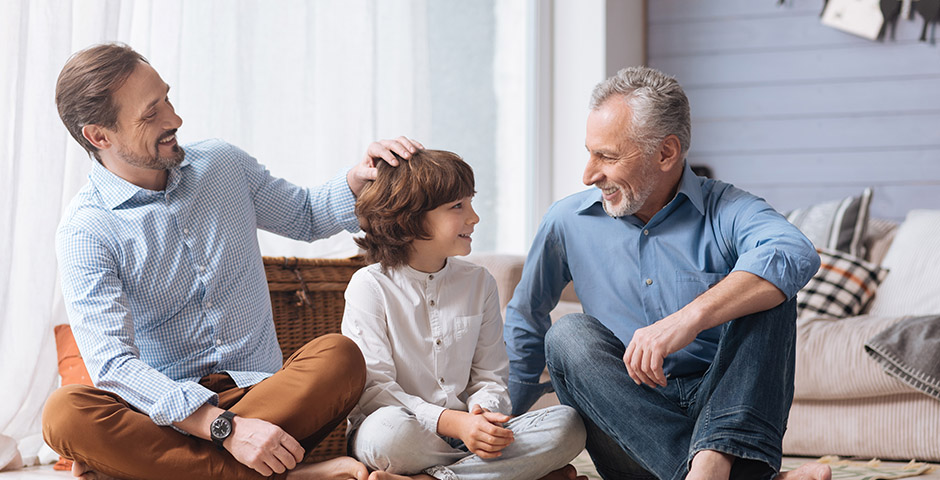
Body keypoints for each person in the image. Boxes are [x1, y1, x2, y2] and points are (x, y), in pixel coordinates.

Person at [43, 42, 421, 480]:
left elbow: (306, 215)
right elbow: (113, 366)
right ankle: (292, 474)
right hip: (170, 417)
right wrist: (223, 429)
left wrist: (358, 178)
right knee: (64, 413)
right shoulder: (86, 231)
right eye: (151, 114)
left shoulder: (222, 164)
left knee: (340, 356)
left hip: (266, 398)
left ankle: (154, 471)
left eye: (166, 97)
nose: (174, 120)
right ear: (99, 136)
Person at [503, 66, 833, 480]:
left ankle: (713, 458)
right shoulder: (567, 220)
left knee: (770, 286)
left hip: (727, 418)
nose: (588, 174)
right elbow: (525, 322)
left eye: (606, 156)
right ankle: (717, 470)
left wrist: (688, 319)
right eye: (589, 152)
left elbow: (794, 251)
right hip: (628, 430)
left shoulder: (726, 209)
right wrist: (495, 428)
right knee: (566, 334)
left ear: (665, 153)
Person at [340, 149, 588, 480]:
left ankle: (430, 478)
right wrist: (454, 422)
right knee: (390, 433)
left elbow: (491, 376)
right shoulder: (369, 286)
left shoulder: (479, 282)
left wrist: (482, 414)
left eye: (470, 202)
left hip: (465, 438)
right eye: (458, 206)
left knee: (568, 425)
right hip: (399, 431)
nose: (474, 217)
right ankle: (509, 474)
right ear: (410, 217)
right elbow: (375, 390)